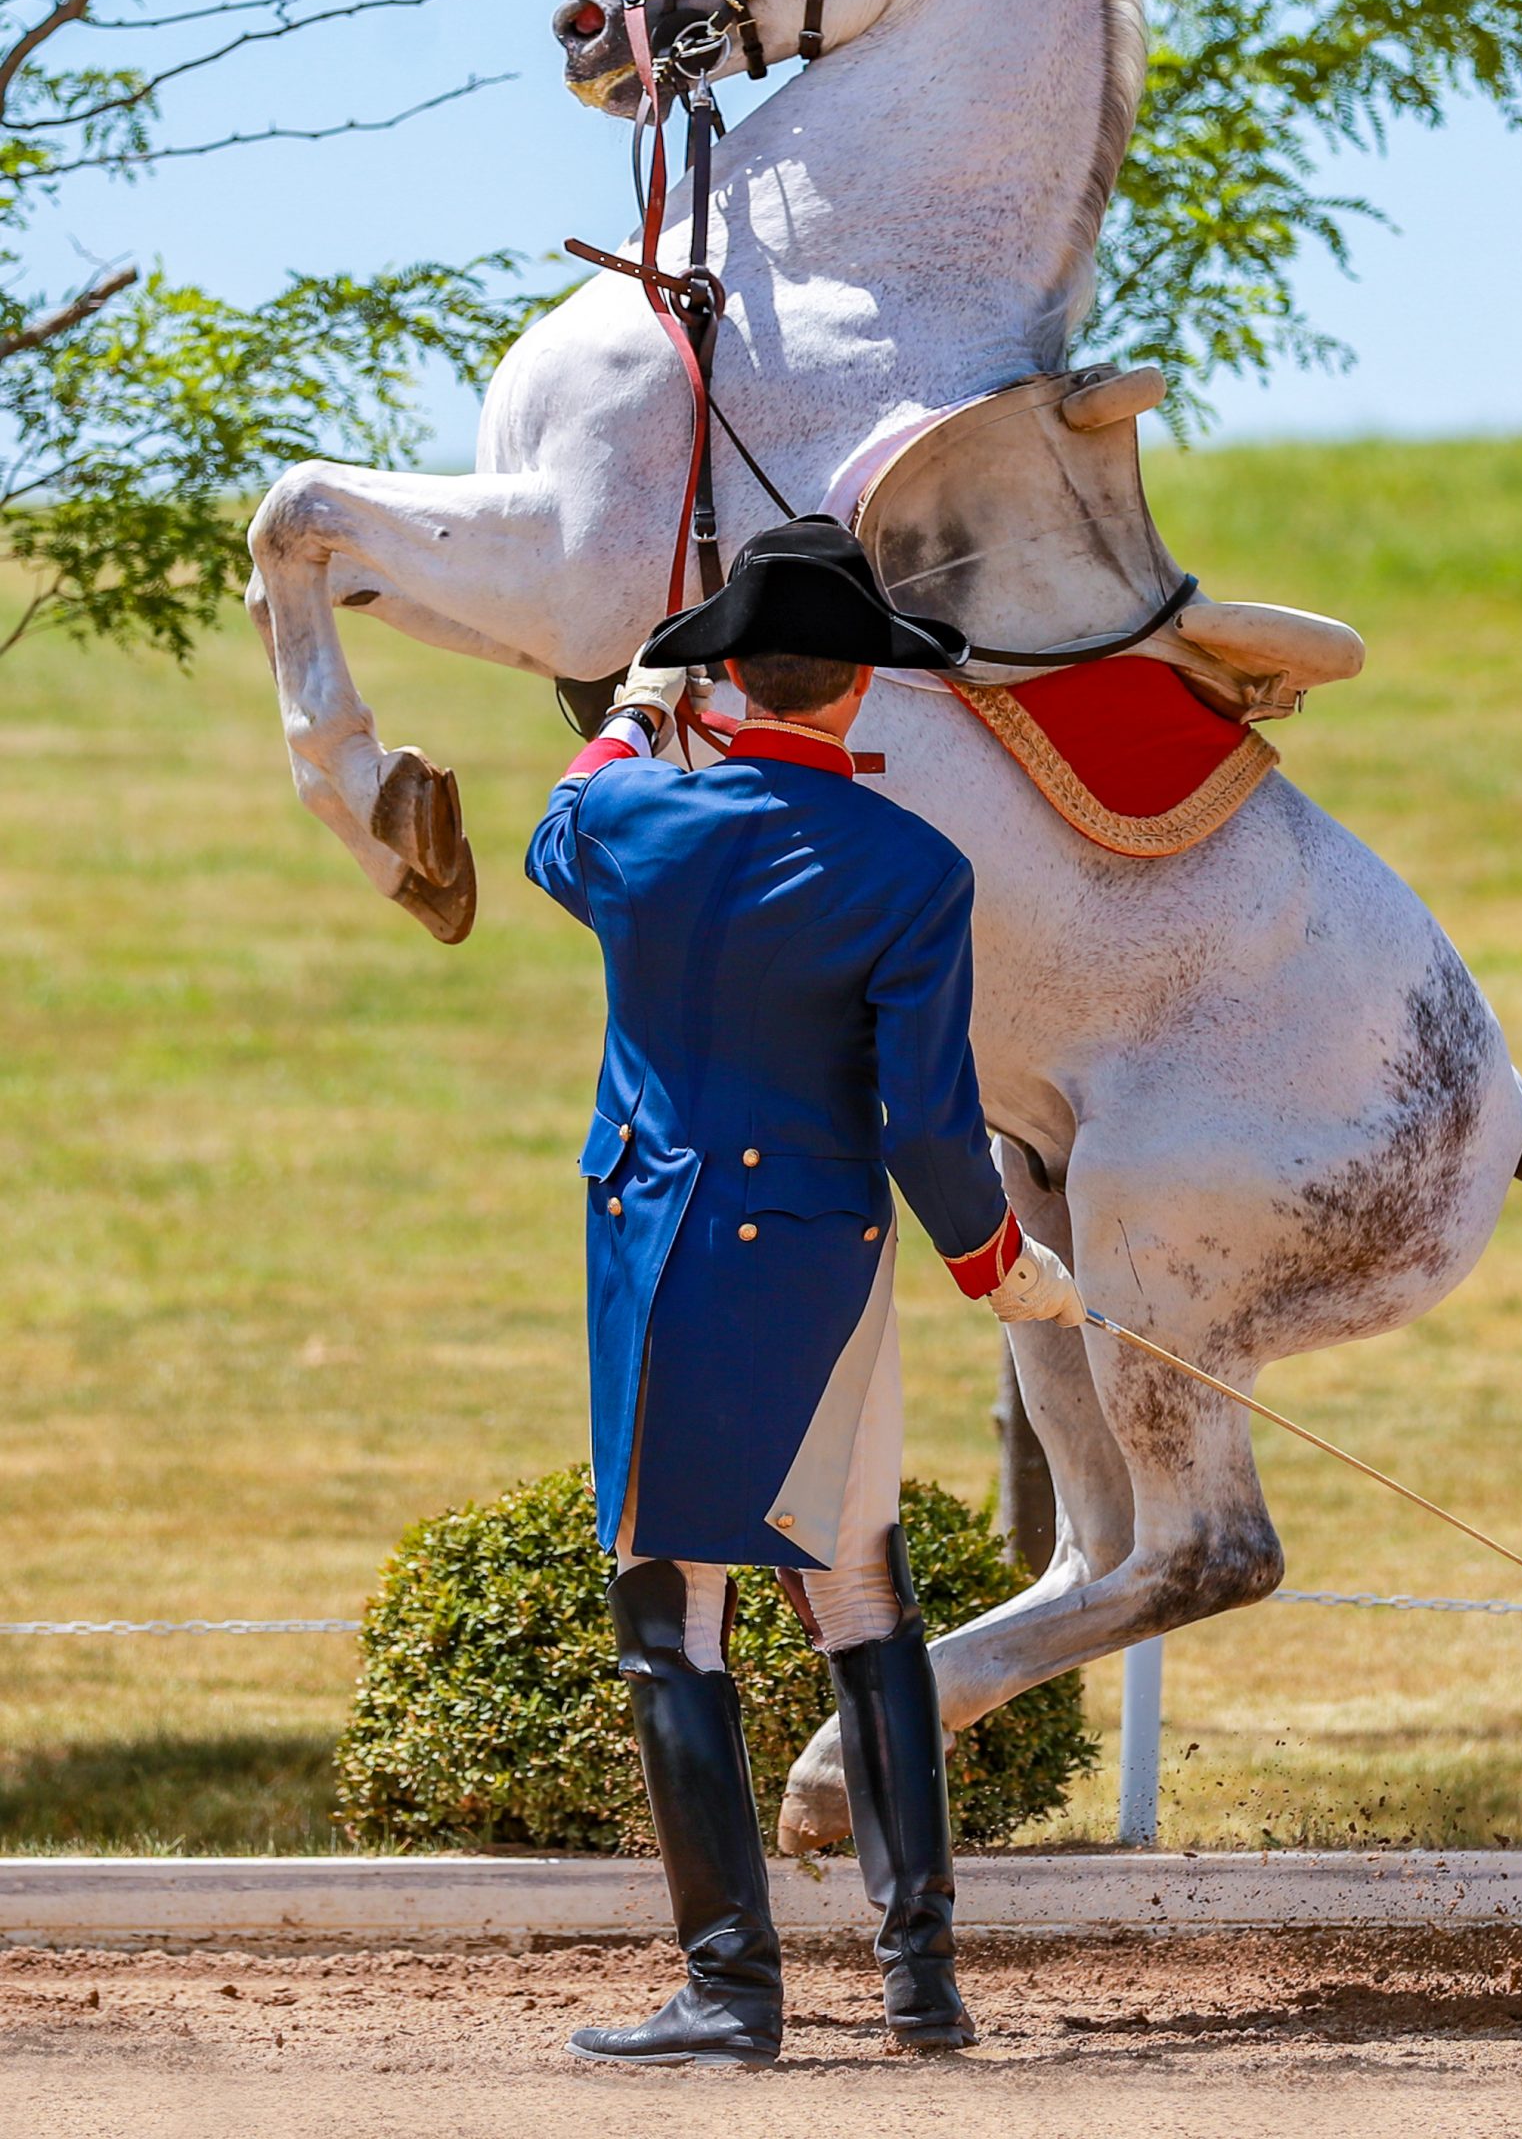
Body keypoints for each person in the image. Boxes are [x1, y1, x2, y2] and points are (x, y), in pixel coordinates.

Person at [525, 516, 1084, 2068]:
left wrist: (638, 706)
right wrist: (996, 1263)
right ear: (860, 690)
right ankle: (921, 1981)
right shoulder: (916, 866)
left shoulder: (641, 816)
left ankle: (730, 1989)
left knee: (673, 1611)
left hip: (664, 1256)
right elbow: (919, 1115)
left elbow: (555, 836)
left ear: (730, 677)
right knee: (858, 1596)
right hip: (829, 1265)